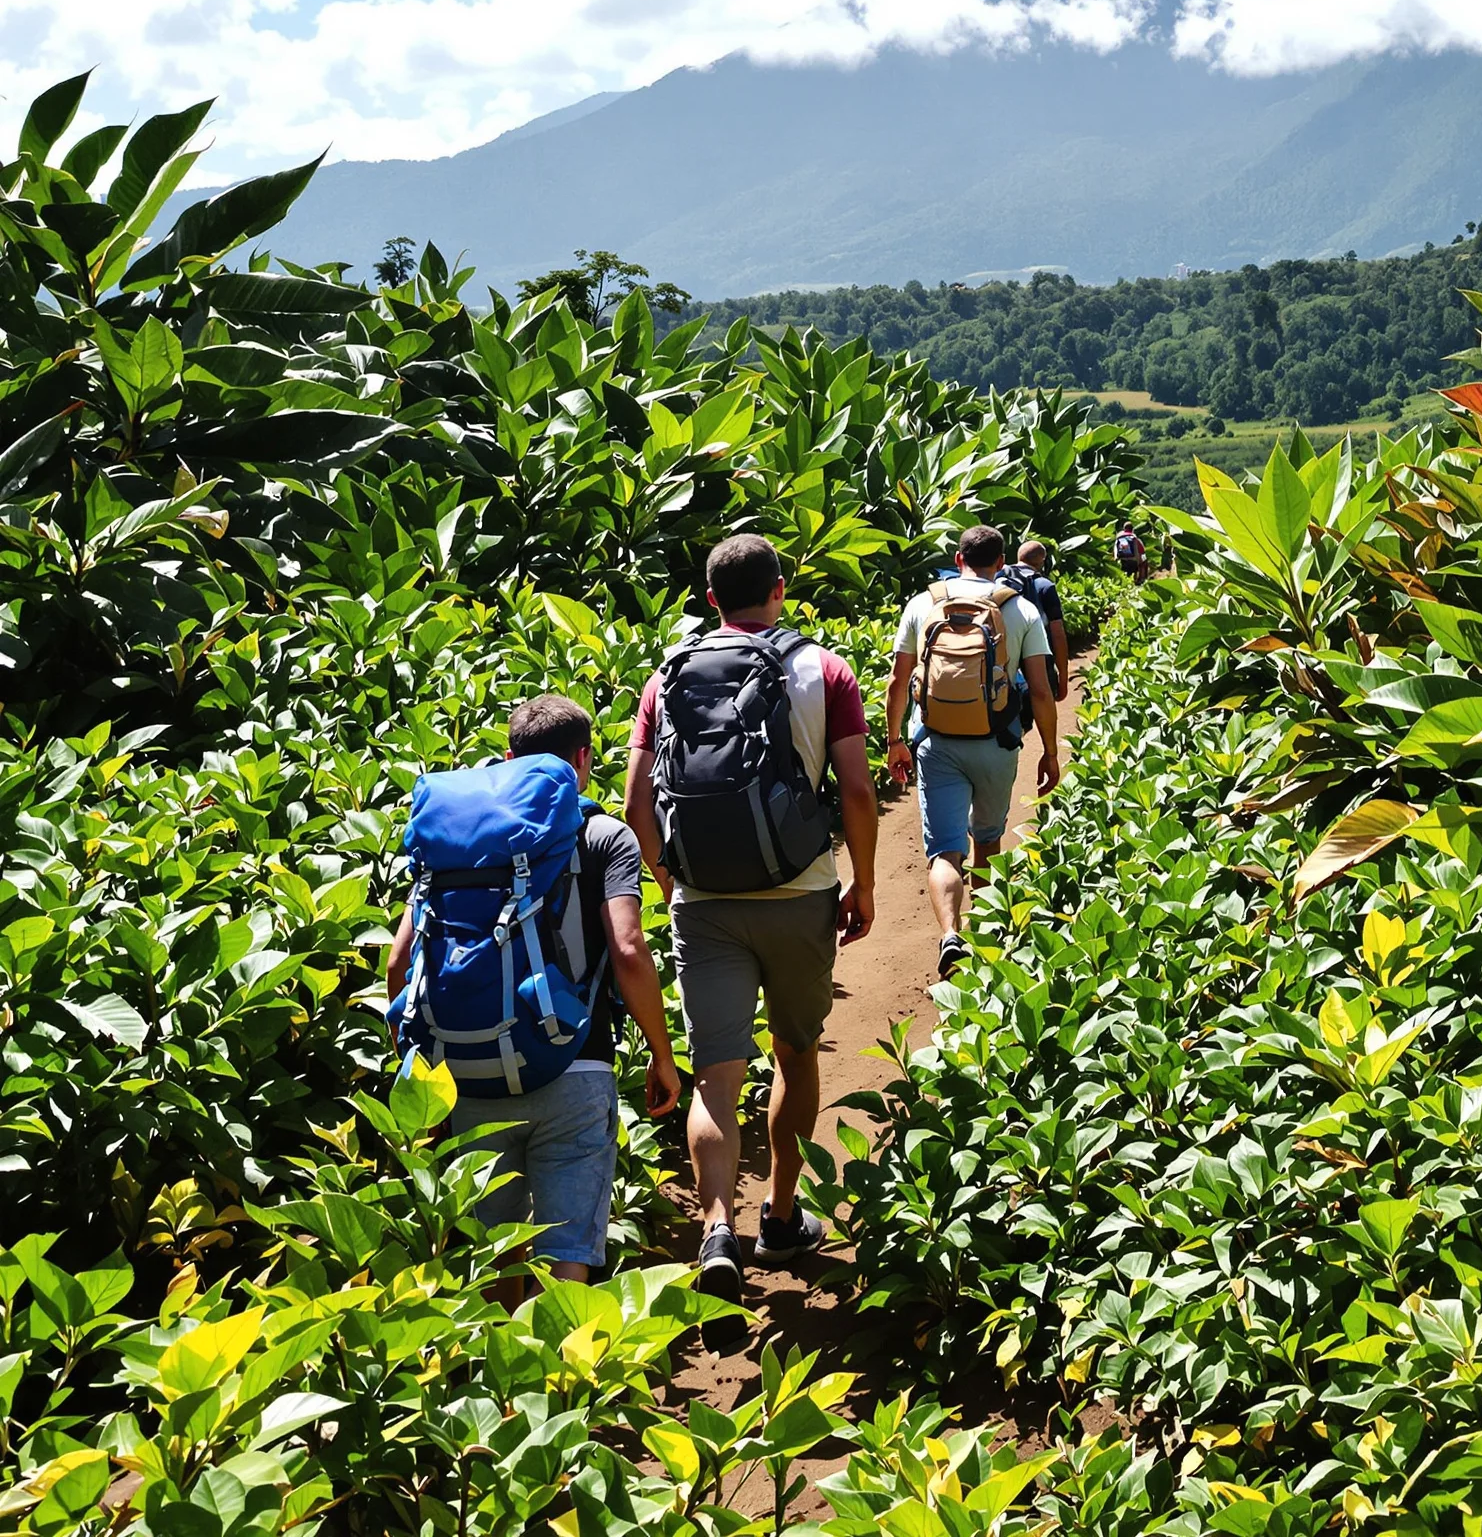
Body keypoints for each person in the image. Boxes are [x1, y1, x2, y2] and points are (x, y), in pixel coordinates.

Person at [624, 534, 878, 1349]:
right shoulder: (824, 670)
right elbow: (859, 791)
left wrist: (671, 886)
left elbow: (635, 809)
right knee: (796, 1053)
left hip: (703, 899)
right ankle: (778, 1216)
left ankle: (715, 1230)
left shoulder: (665, 676)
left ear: (708, 600)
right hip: (799, 890)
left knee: (714, 1074)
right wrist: (862, 882)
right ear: (780, 589)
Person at [385, 694, 683, 1287]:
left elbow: (399, 966)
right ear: (584, 759)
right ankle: (567, 1375)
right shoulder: (603, 834)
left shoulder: (458, 842)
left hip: (469, 1071)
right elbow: (627, 950)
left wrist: (425, 1073)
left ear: (507, 756)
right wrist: (662, 1053)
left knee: (492, 1254)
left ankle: (501, 1376)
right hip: (576, 1062)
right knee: (565, 1249)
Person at [885, 524, 1060, 980]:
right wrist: (1050, 751)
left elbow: (898, 680)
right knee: (987, 841)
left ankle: (949, 934)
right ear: (1001, 563)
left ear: (958, 558)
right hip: (996, 742)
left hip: (937, 742)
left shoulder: (923, 604)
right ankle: (985, 941)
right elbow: (1040, 691)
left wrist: (894, 740)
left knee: (944, 851)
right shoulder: (1019, 609)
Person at [1001, 537, 1070, 701]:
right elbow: (1057, 633)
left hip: (1001, 651)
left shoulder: (998, 579)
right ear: (1042, 561)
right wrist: (1063, 676)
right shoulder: (1044, 586)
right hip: (1035, 654)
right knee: (1043, 697)